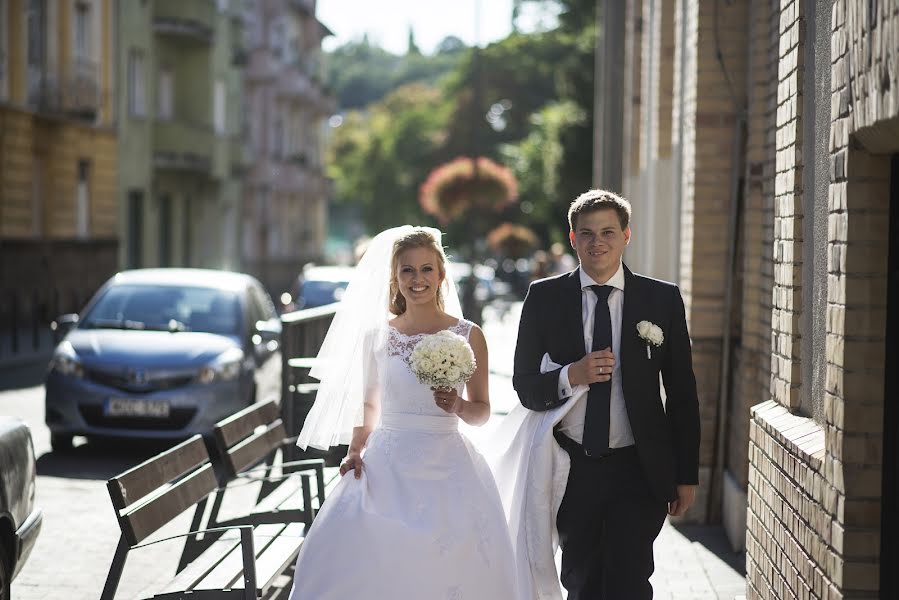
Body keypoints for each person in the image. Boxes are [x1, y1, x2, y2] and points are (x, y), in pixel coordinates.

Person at [288, 226, 519, 600]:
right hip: (388, 462)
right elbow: (369, 405)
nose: (417, 279)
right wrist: (354, 450)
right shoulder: (377, 337)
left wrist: (458, 406)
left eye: (426, 269)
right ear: (394, 278)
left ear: (441, 274)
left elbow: (482, 412)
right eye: (407, 270)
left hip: (449, 464)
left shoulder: (468, 335)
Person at [512, 189, 701, 599]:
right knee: (581, 580)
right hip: (572, 465)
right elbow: (525, 385)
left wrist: (686, 474)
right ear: (573, 237)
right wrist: (571, 375)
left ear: (626, 235)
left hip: (639, 465)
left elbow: (682, 393)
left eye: (608, 232)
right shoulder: (544, 298)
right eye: (587, 234)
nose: (598, 242)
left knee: (629, 581)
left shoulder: (661, 298)